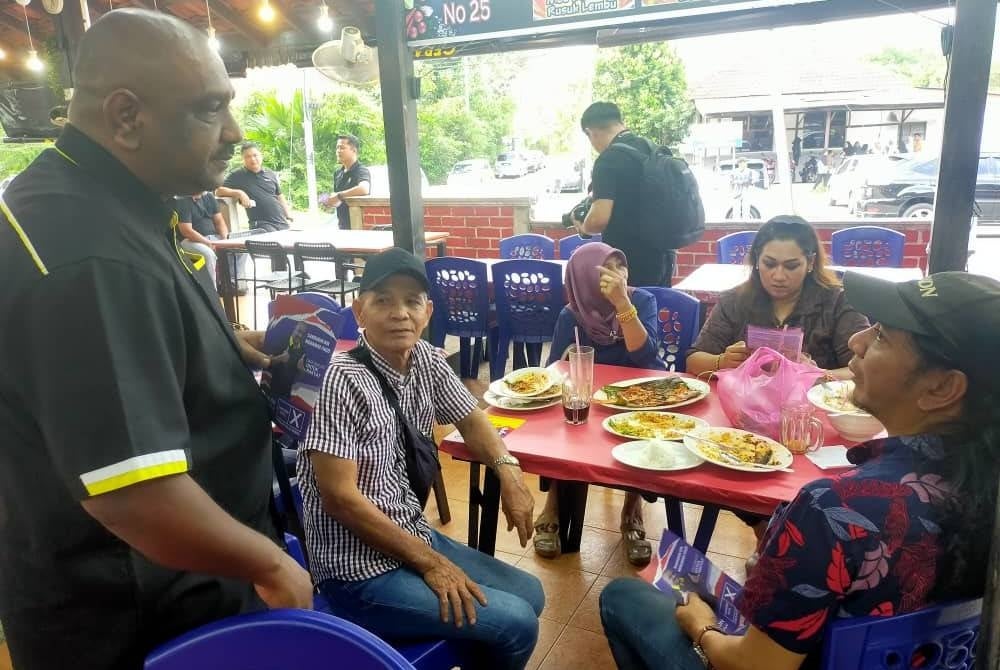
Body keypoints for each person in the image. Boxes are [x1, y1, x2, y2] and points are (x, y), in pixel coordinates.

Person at [0, 10, 312, 670]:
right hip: (139, 613)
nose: (235, 132)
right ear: (126, 117)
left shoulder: (106, 201)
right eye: (209, 109)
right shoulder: (90, 255)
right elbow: (134, 495)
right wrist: (273, 566)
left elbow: (126, 346)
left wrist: (226, 345)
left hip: (174, 582)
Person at [599, 270, 1000, 670]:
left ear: (942, 388)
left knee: (624, 597)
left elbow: (755, 668)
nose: (857, 342)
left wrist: (701, 626)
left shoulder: (834, 508)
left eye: (881, 336)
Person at [298, 247, 545, 670]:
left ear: (427, 312)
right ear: (359, 311)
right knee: (516, 623)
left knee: (531, 594)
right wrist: (431, 563)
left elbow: (472, 419)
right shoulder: (339, 380)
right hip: (357, 572)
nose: (400, 313)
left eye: (412, 301)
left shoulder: (427, 360)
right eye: (383, 300)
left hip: (409, 532)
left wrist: (509, 473)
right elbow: (339, 499)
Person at [532, 243, 664, 565]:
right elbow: (554, 370)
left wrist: (622, 304)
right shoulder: (571, 314)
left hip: (637, 398)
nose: (618, 275)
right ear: (585, 279)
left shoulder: (642, 300)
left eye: (621, 266)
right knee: (562, 426)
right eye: (608, 269)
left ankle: (632, 510)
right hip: (590, 400)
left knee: (643, 434)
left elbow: (646, 356)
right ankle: (553, 505)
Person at [686, 216, 869, 381]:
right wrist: (722, 361)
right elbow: (693, 360)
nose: (779, 276)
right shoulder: (734, 301)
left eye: (791, 266)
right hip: (748, 402)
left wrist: (819, 375)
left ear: (811, 263)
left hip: (814, 403)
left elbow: (866, 368)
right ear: (757, 260)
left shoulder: (837, 302)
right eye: (769, 264)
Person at [573, 101, 674, 287]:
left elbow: (598, 220)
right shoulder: (651, 148)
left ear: (590, 132)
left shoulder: (608, 161)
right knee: (654, 305)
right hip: (664, 256)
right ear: (620, 122)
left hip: (628, 262)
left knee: (627, 305)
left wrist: (583, 227)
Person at [173, 191, 229, 287]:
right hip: (190, 241)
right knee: (208, 254)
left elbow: (219, 221)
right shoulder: (183, 200)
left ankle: (231, 284)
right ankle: (212, 290)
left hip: (213, 238)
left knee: (238, 249)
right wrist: (207, 242)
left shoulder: (209, 197)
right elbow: (187, 231)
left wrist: (225, 239)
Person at [322, 133, 372, 230]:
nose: (338, 151)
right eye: (337, 148)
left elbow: (364, 189)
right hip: (342, 226)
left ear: (354, 150)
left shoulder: (361, 170)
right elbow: (339, 200)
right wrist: (330, 202)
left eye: (342, 148)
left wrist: (339, 195)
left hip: (358, 226)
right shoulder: (338, 173)